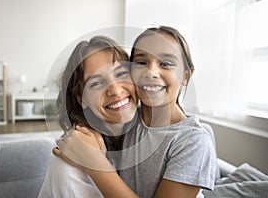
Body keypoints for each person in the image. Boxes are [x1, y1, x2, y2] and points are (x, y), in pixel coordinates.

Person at [54, 26, 217, 198]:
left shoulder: (193, 141)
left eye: (166, 63)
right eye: (141, 62)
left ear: (185, 76)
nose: (151, 72)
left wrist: (94, 162)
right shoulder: (126, 121)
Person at [38, 35, 138, 198]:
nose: (115, 90)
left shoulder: (146, 138)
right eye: (97, 83)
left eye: (121, 74)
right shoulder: (70, 162)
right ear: (82, 100)